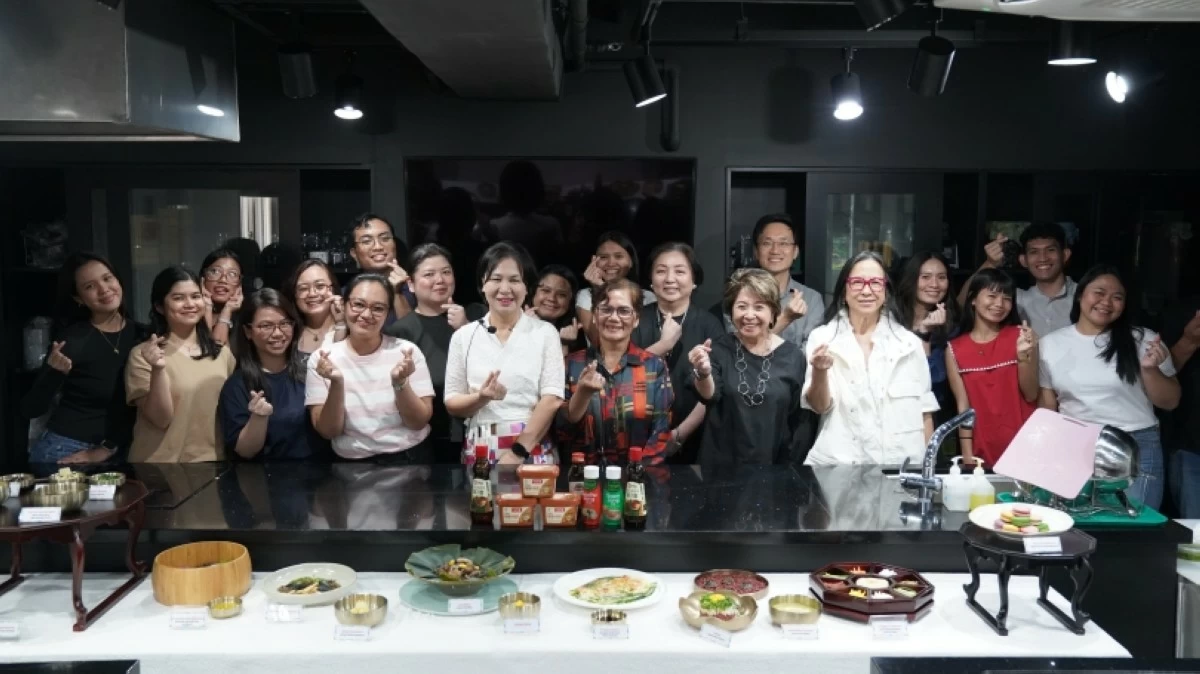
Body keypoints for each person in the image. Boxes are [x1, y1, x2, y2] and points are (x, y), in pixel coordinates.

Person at [1039, 265, 1180, 510]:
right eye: (1099, 293)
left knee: (1136, 530)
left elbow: (1170, 401)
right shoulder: (1050, 344)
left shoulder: (1143, 339)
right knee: (1077, 526)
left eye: (1117, 297)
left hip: (1137, 446)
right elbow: (1048, 408)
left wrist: (1149, 369)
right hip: (1076, 445)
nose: (1107, 302)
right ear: (1080, 294)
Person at [803, 251, 939, 465]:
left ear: (885, 290)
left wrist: (929, 468)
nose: (867, 290)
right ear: (844, 290)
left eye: (875, 282)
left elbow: (925, 411)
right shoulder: (823, 338)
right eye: (857, 282)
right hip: (841, 467)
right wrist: (820, 371)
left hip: (900, 466)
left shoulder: (908, 343)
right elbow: (819, 406)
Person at [20, 253, 148, 464]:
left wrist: (108, 448)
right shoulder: (73, 340)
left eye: (107, 278)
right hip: (68, 449)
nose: (104, 289)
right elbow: (30, 409)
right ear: (79, 298)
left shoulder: (142, 335)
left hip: (115, 448)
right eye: (90, 286)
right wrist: (54, 373)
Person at [445, 242, 565, 465]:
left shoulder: (545, 333)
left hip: (531, 446)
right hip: (480, 446)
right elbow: (452, 401)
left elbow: (552, 398)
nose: (505, 289)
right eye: (496, 279)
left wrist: (518, 452)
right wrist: (481, 398)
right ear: (483, 283)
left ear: (527, 286)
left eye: (515, 280)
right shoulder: (463, 336)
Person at [305, 274, 435, 463]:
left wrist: (400, 383)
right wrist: (336, 382)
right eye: (358, 304)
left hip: (410, 458)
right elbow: (328, 431)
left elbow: (418, 422)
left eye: (378, 308)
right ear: (344, 305)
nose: (366, 315)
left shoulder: (407, 352)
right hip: (351, 465)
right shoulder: (322, 359)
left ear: (388, 312)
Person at [687, 268, 807, 470]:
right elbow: (710, 395)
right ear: (731, 311)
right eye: (741, 306)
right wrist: (703, 372)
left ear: (773, 313)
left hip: (775, 467)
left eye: (759, 307)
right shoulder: (718, 349)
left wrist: (791, 468)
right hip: (720, 468)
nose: (749, 315)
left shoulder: (792, 356)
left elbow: (798, 419)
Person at [384, 244, 484, 463]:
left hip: (480, 434)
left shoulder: (477, 316)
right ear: (410, 284)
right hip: (425, 442)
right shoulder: (400, 331)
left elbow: (492, 369)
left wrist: (466, 327)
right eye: (429, 274)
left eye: (446, 272)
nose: (440, 280)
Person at [126, 266, 237, 462]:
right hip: (159, 468)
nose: (190, 304)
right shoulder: (143, 355)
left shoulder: (222, 355)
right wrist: (158, 369)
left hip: (211, 463)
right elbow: (160, 419)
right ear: (160, 307)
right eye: (178, 298)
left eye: (195, 296)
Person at [558, 279, 672, 467]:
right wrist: (583, 394)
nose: (614, 317)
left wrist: (637, 476)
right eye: (606, 309)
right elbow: (562, 432)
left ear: (636, 319)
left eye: (624, 311)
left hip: (637, 481)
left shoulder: (653, 366)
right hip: (583, 479)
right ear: (595, 316)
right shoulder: (572, 364)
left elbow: (660, 435)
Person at [630, 243, 724, 464]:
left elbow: (714, 389)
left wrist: (679, 435)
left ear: (694, 281)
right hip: (634, 434)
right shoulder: (634, 319)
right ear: (651, 281)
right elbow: (621, 372)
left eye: (680, 271)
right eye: (661, 271)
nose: (670, 279)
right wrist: (663, 345)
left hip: (692, 437)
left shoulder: (709, 324)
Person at [945, 269, 1038, 467]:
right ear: (973, 299)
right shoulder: (955, 348)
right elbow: (963, 407)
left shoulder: (1022, 336)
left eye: (1006, 298)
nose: (999, 304)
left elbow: (1031, 394)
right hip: (981, 446)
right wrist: (967, 455)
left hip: (1025, 443)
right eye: (992, 296)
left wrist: (1023, 358)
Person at [219, 289, 320, 460]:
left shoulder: (311, 369)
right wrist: (258, 418)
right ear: (248, 332)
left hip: (320, 478)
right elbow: (245, 451)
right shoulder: (237, 385)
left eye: (285, 323)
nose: (278, 333)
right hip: (267, 480)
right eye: (266, 326)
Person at [725, 214, 825, 353]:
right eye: (767, 243)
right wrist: (785, 318)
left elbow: (810, 352)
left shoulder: (812, 299)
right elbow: (739, 348)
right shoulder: (738, 294)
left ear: (795, 252)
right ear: (756, 251)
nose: (775, 250)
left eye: (783, 243)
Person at [960, 222, 1075, 337]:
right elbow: (963, 302)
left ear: (1065, 255)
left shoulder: (1084, 295)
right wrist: (990, 263)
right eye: (1034, 252)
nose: (1043, 258)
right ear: (1023, 260)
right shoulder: (1015, 299)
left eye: (1050, 250)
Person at [895, 252, 957, 423]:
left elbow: (934, 381)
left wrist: (925, 334)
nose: (934, 284)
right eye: (926, 277)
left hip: (932, 418)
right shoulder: (891, 322)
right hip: (892, 415)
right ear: (911, 279)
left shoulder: (952, 328)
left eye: (941, 277)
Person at [576, 231, 656, 339]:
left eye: (618, 256)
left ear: (631, 261)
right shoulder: (585, 296)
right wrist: (601, 290)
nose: (611, 263)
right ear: (594, 262)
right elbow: (598, 342)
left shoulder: (648, 297)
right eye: (603, 257)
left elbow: (640, 340)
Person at [1164, 296, 1200, 517]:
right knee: (1197, 537)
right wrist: (1190, 341)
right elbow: (1163, 373)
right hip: (1192, 447)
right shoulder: (1183, 313)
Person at [347, 213, 412, 322]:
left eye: (385, 238)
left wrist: (396, 293)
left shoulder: (417, 289)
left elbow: (413, 335)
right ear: (354, 254)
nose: (378, 246)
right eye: (367, 241)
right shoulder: (348, 294)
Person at [285, 260, 346, 357]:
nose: (312, 294)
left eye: (320, 286)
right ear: (294, 294)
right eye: (303, 288)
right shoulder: (288, 332)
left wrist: (341, 324)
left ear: (332, 290)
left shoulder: (351, 329)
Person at [527, 264, 585, 356]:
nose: (552, 298)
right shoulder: (511, 325)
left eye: (561, 295)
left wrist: (564, 345)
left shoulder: (577, 338)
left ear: (570, 302)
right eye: (546, 290)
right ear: (533, 292)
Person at [200, 248, 245, 347]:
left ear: (239, 284)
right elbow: (205, 355)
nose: (223, 280)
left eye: (232, 274)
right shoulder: (189, 316)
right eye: (215, 271)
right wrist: (207, 307)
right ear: (203, 278)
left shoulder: (246, 321)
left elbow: (219, 357)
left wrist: (227, 310)